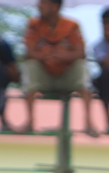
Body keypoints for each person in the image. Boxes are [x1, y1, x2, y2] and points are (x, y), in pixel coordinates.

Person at [23, 0, 96, 137]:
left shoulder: (71, 25)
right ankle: (30, 122)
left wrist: (63, 56)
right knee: (30, 65)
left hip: (66, 76)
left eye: (44, 3)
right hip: (44, 76)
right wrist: (47, 55)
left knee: (81, 66)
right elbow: (29, 52)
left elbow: (81, 53)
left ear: (55, 6)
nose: (39, 6)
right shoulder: (34, 24)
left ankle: (89, 123)